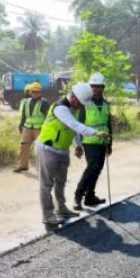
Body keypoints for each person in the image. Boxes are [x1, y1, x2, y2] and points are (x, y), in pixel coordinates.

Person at [35, 83, 110, 225]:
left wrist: (78, 145)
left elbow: (73, 128)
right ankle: (47, 215)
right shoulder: (60, 108)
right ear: (73, 97)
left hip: (62, 150)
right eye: (80, 103)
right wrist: (96, 132)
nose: (81, 106)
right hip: (48, 149)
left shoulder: (73, 107)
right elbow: (76, 125)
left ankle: (61, 208)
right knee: (46, 184)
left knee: (61, 182)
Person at [73, 73, 113, 210]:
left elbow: (109, 124)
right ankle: (78, 196)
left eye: (98, 86)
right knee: (92, 167)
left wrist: (110, 143)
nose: (96, 89)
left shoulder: (106, 104)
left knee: (97, 169)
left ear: (103, 88)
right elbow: (78, 125)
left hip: (102, 142)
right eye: (93, 86)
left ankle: (90, 197)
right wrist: (78, 145)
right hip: (89, 141)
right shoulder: (85, 104)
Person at [14, 82, 48, 173]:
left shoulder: (44, 103)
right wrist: (21, 125)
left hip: (39, 129)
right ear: (30, 92)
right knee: (23, 146)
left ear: (40, 93)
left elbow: (48, 117)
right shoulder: (26, 102)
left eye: (37, 92)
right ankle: (23, 166)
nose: (35, 93)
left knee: (41, 149)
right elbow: (24, 116)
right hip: (27, 128)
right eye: (33, 91)